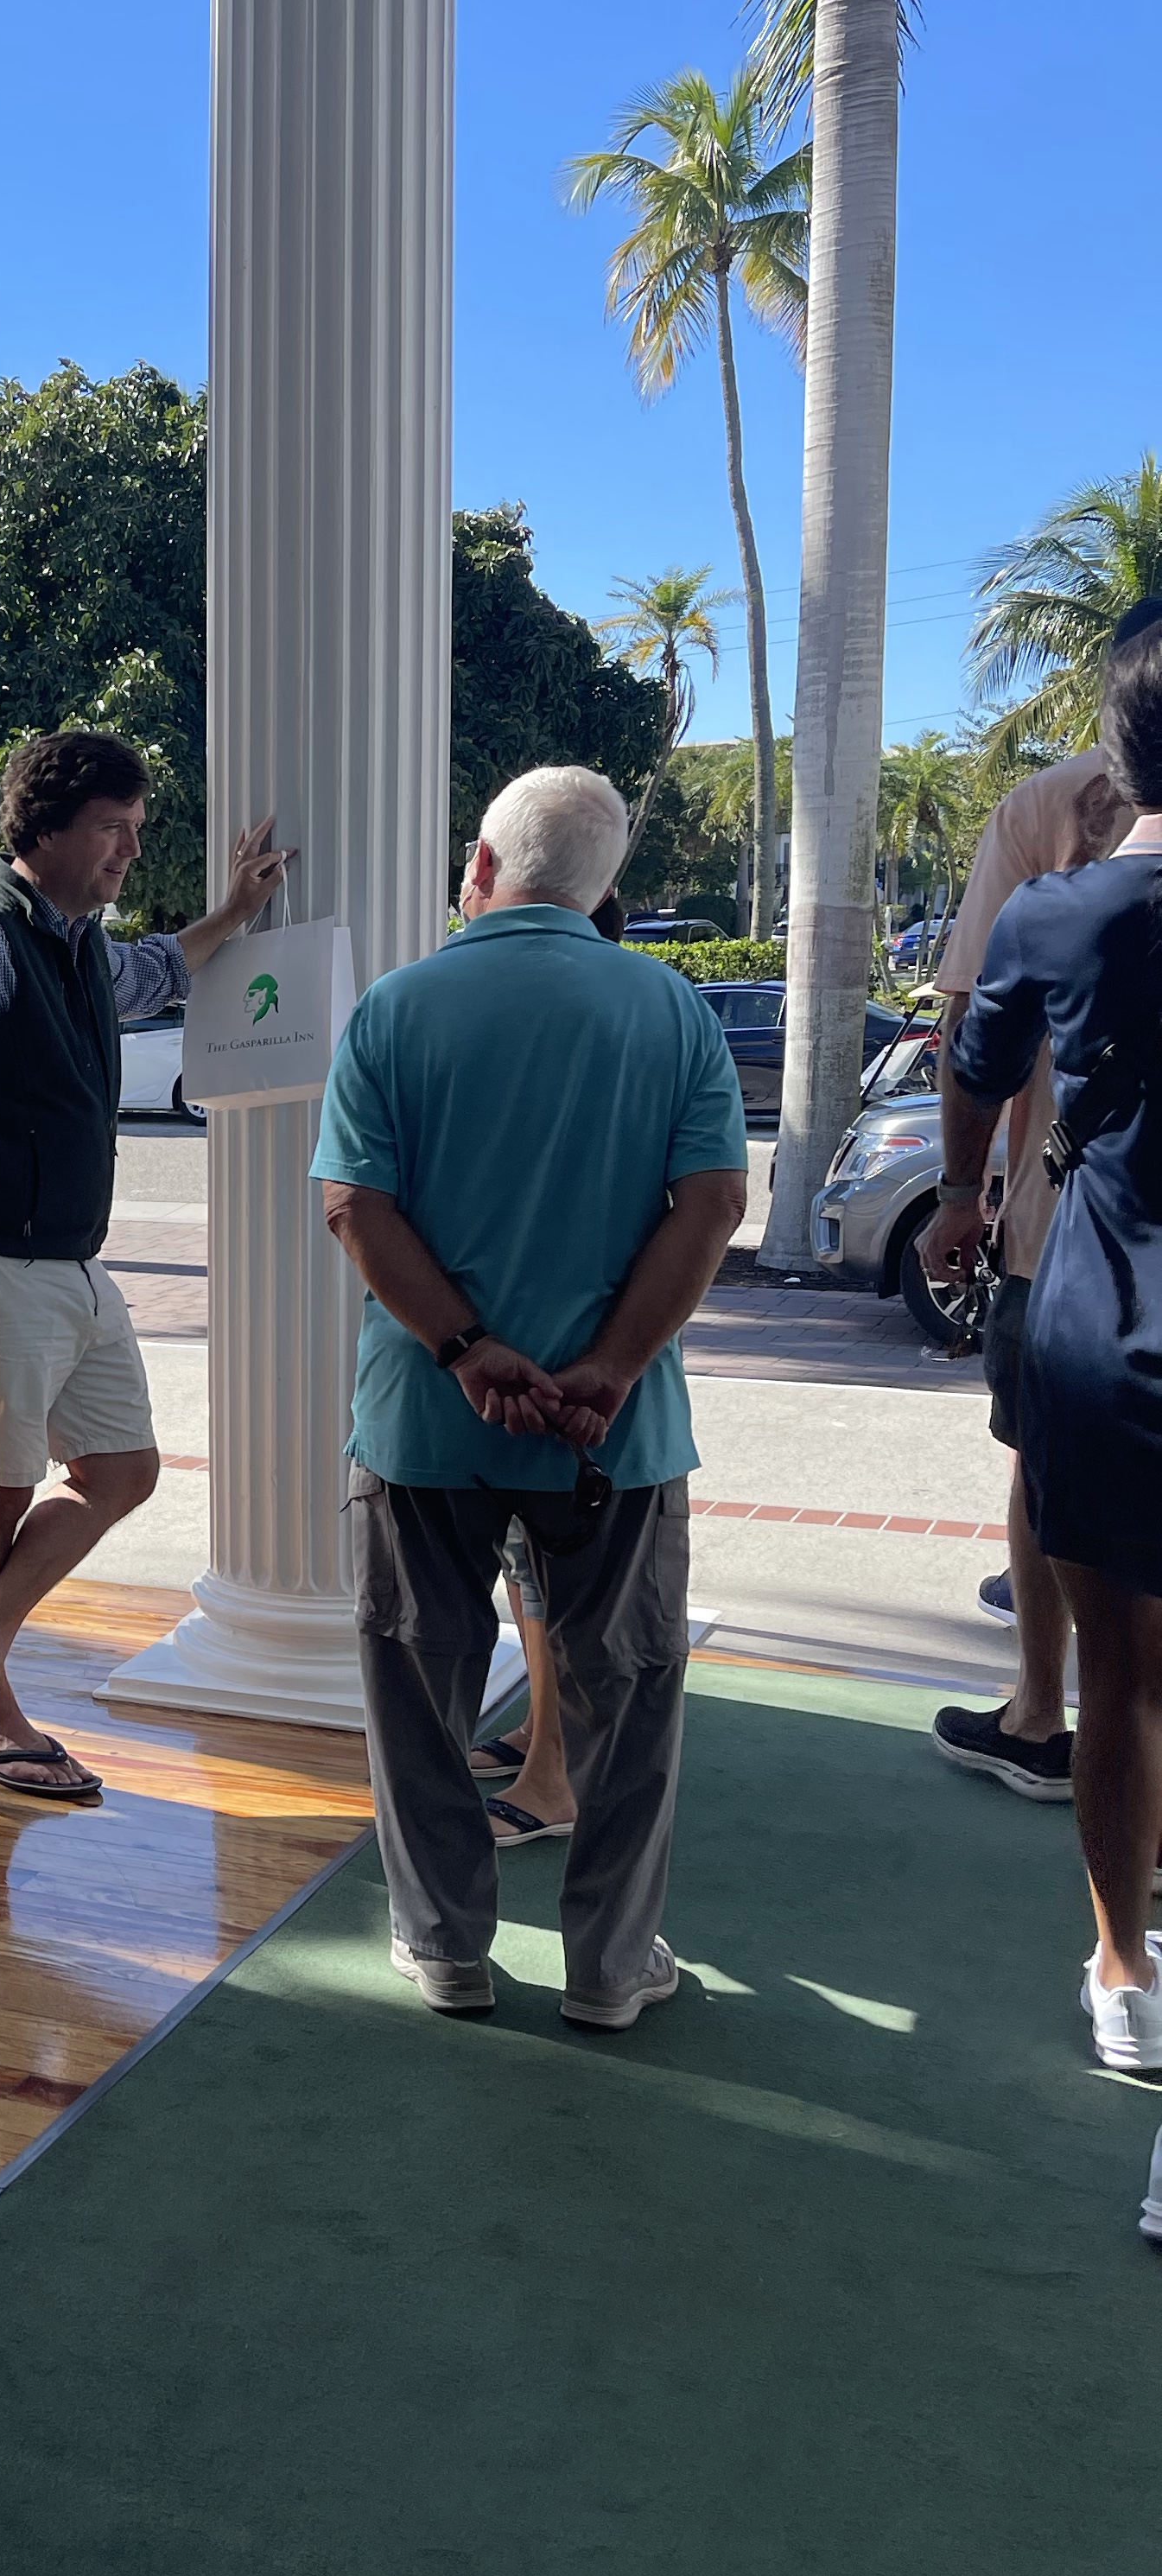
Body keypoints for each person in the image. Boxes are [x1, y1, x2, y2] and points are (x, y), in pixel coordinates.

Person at [311, 766, 749, 2026]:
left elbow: (354, 1205)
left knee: (419, 1692)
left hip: (424, 1423)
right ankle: (611, 1967)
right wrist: (610, 1366)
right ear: (604, 887)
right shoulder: (672, 1012)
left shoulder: (396, 1009)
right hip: (619, 1435)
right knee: (631, 1697)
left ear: (482, 868)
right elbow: (714, 1204)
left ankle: (444, 1944)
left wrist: (465, 1351)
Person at [0, 728, 285, 1803]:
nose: (130, 849)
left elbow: (155, 970)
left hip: (62, 1263)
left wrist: (234, 912)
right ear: (42, 830)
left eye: (137, 829)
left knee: (123, 1471)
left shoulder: (77, 942)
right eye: (110, 829)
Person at [919, 614, 1162, 2120]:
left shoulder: (1058, 913)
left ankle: (1121, 1970)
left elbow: (973, 1060)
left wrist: (960, 1195)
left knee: (1117, 1674)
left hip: (1106, 1322)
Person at [922, 739, 1127, 1798]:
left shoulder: (1053, 804)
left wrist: (962, 1193)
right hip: (1076, 1232)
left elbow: (974, 1026)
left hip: (1069, 1238)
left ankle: (1042, 1715)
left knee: (1044, 1466)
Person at [476, 889, 634, 1848]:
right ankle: (540, 1735)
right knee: (523, 1564)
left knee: (546, 1571)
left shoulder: (597, 1023)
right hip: (544, 1350)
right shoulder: (626, 1015)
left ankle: (554, 1774)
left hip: (557, 1356)